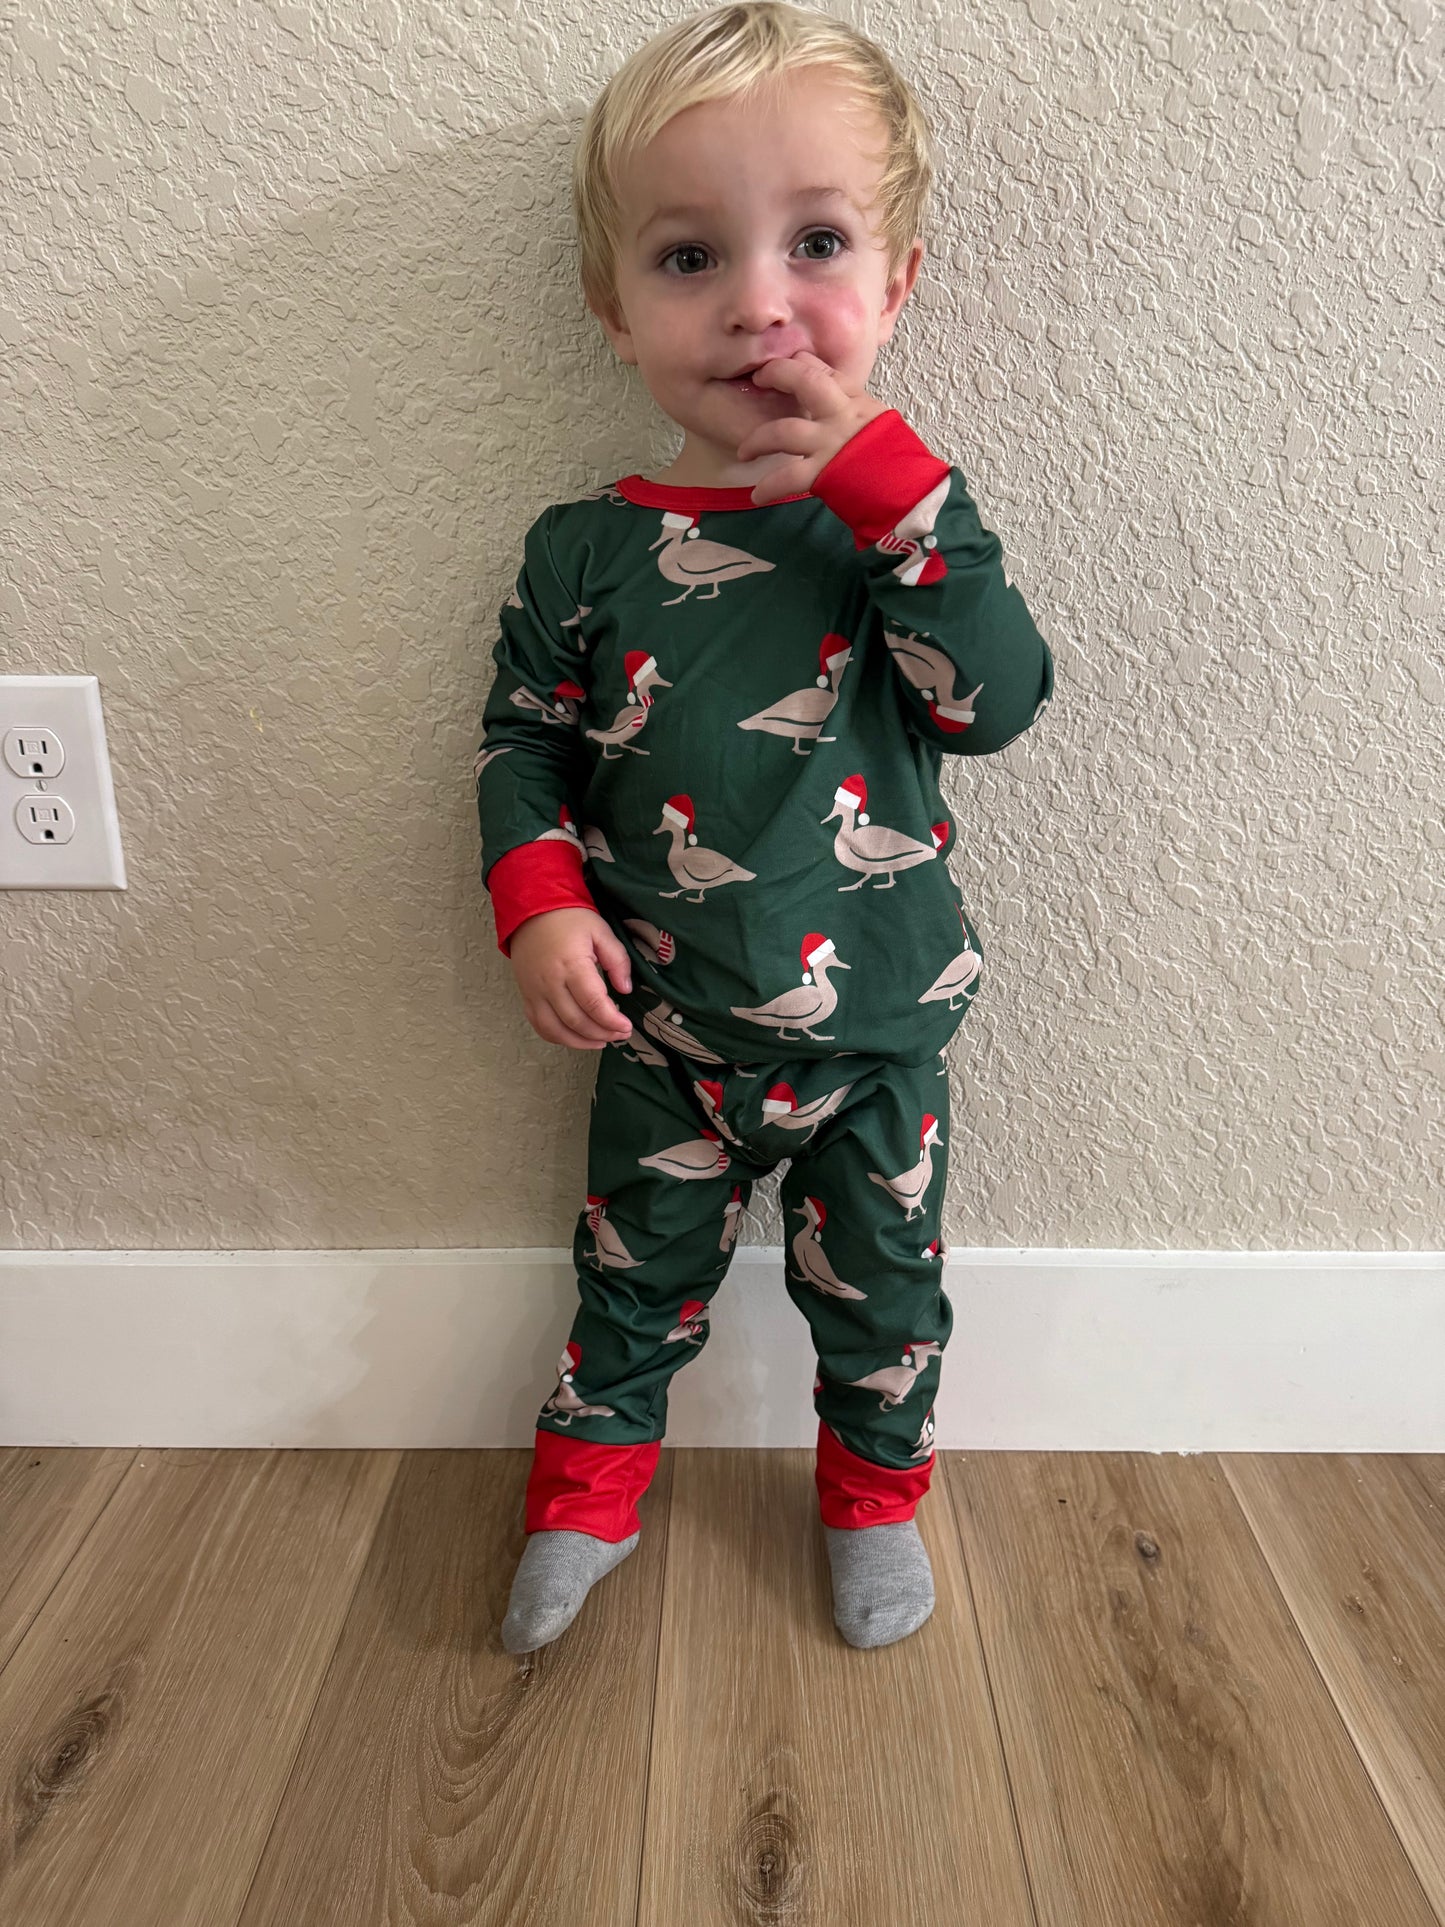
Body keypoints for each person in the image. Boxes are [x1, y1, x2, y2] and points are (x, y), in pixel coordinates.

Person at [473, 1, 1054, 1654]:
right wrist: (539, 900)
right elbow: (520, 740)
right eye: (686, 258)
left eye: (815, 243)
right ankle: (582, 1502)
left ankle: (873, 1502)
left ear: (896, 284)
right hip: (659, 1033)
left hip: (872, 1039)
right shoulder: (584, 551)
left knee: (882, 1306)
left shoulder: (900, 531)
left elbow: (992, 703)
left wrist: (897, 503)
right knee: (623, 1291)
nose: (757, 305)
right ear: (610, 306)